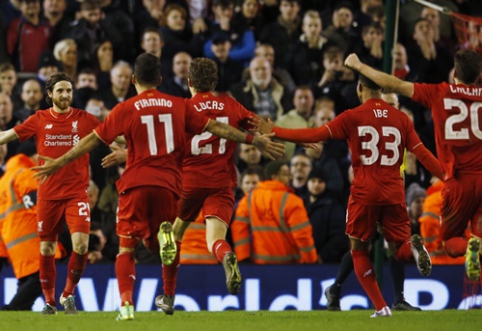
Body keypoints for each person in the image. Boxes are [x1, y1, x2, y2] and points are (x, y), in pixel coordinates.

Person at [32, 53, 284, 321]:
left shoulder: (125, 109)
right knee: (164, 241)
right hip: (170, 186)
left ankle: (127, 305)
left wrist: (58, 162)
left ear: (133, 80)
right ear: (161, 80)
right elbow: (217, 127)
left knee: (127, 247)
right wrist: (251, 140)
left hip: (135, 183)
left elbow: (90, 141)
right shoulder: (179, 106)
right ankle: (167, 281)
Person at [252, 74, 445, 317]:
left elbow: (314, 135)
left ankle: (381, 307)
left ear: (360, 88)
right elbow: (424, 154)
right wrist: (448, 178)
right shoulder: (401, 119)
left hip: (365, 192)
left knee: (358, 250)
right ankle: (415, 252)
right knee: (399, 249)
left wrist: (275, 130)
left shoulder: (352, 116)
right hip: (394, 191)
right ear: (382, 89)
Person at [345, 49, 482, 282]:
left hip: (457, 182)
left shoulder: (439, 92)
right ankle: (477, 243)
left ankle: (472, 244)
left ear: (455, 74)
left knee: (450, 242)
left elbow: (393, 83)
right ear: (479, 75)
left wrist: (358, 66)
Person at [157, 58, 265, 310]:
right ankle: (226, 255)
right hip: (222, 181)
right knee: (214, 239)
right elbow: (264, 127)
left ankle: (168, 297)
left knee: (174, 235)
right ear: (215, 82)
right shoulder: (231, 105)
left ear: (189, 82)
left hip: (189, 181)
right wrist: (300, 139)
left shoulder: (181, 108)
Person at [0, 72, 101, 314]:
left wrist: (127, 148)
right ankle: (50, 302)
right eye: (60, 91)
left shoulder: (85, 119)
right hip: (48, 196)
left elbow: (111, 135)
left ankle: (67, 295)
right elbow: (8, 135)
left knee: (81, 245)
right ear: (50, 95)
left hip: (76, 193)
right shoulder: (38, 120)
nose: (65, 95)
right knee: (47, 250)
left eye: (69, 90)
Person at [232, 160, 318, 264]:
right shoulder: (292, 201)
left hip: (259, 264)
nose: (290, 178)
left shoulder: (249, 199)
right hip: (289, 265)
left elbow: (239, 229)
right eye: (286, 174)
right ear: (274, 176)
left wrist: (243, 258)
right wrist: (311, 260)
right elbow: (302, 235)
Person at [0, 142, 43, 310]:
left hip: (11, 236)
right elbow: (35, 201)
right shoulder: (25, 173)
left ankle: (20, 311)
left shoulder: (5, 178)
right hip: (27, 234)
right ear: (31, 156)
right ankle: (12, 309)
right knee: (40, 277)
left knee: (28, 278)